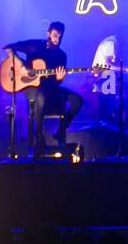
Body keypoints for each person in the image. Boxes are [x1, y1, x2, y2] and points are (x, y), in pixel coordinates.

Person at [5, 21, 83, 154]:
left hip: (51, 89)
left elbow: (57, 82)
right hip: (31, 87)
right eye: (54, 35)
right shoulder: (34, 46)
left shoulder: (61, 55)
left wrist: (59, 79)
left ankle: (60, 131)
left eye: (60, 36)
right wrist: (22, 67)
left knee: (77, 100)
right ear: (48, 33)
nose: (57, 39)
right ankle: (39, 140)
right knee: (41, 95)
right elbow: (8, 48)